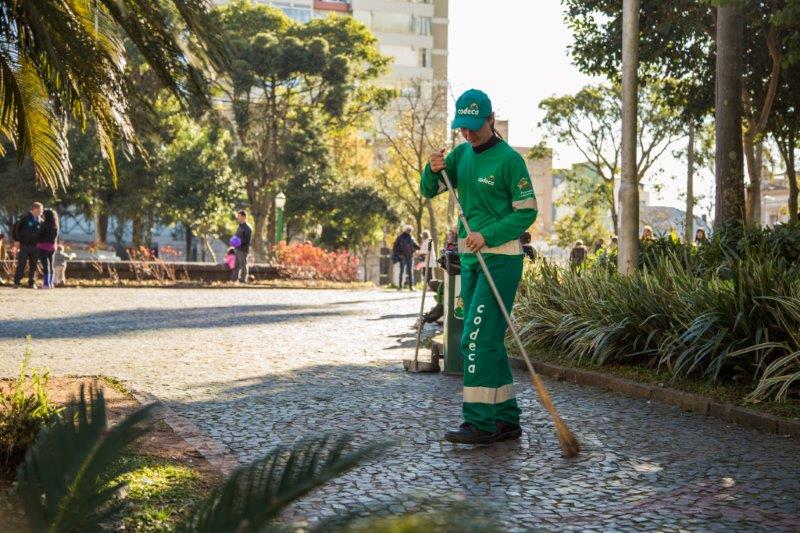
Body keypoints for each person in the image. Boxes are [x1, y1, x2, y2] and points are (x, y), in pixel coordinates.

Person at [420, 88, 538, 445]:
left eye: (474, 127)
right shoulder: (460, 156)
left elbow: (527, 211)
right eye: (463, 128)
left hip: (501, 260)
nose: (468, 135)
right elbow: (431, 190)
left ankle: (479, 423)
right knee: (488, 341)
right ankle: (505, 420)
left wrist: (486, 235)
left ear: (491, 121)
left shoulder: (509, 161)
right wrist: (432, 167)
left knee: (473, 339)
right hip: (470, 261)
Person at [12, 202, 43, 289]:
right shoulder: (25, 218)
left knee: (33, 264)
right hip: (24, 245)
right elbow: (16, 227)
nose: (41, 212)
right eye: (40, 211)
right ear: (34, 209)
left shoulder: (41, 221)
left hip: (35, 246)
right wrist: (17, 240)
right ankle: (17, 282)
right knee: (21, 263)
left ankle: (31, 282)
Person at [391, 225, 419, 291]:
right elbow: (395, 247)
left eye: (411, 230)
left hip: (410, 256)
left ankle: (411, 286)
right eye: (409, 230)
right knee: (402, 271)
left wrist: (421, 248)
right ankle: (400, 286)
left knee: (410, 272)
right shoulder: (400, 237)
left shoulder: (412, 238)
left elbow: (416, 246)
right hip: (402, 256)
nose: (410, 231)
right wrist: (398, 255)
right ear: (405, 230)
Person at [36, 209, 59, 289]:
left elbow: (39, 235)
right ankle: (50, 283)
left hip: (43, 246)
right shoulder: (55, 225)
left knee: (46, 265)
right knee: (51, 265)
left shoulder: (44, 224)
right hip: (52, 247)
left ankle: (46, 284)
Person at [233, 210, 252, 283]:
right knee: (236, 265)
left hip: (243, 250)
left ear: (244, 217)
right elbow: (237, 236)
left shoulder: (248, 228)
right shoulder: (239, 226)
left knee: (243, 265)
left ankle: (243, 279)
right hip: (237, 249)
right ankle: (235, 279)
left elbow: (247, 240)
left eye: (239, 216)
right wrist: (233, 241)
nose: (237, 218)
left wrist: (238, 242)